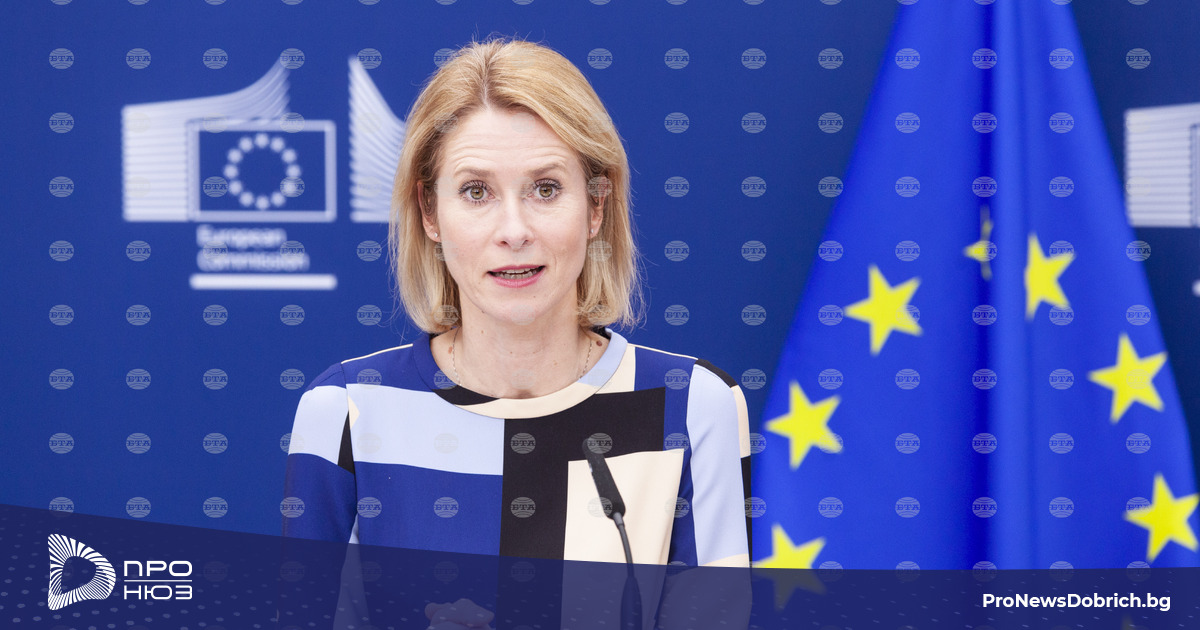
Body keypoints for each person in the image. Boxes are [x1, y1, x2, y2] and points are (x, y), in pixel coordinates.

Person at [282, 37, 751, 570]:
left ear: (596, 206)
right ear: (430, 213)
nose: (514, 230)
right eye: (476, 192)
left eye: (545, 189)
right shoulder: (346, 411)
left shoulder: (692, 407)